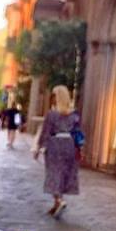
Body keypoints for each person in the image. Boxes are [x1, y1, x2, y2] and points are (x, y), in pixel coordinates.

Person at [34, 85, 82, 217]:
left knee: (53, 173)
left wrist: (39, 148)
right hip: (70, 145)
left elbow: (46, 132)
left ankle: (59, 200)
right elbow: (78, 132)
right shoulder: (74, 115)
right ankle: (56, 204)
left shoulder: (52, 114)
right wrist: (79, 149)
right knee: (64, 174)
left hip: (55, 145)